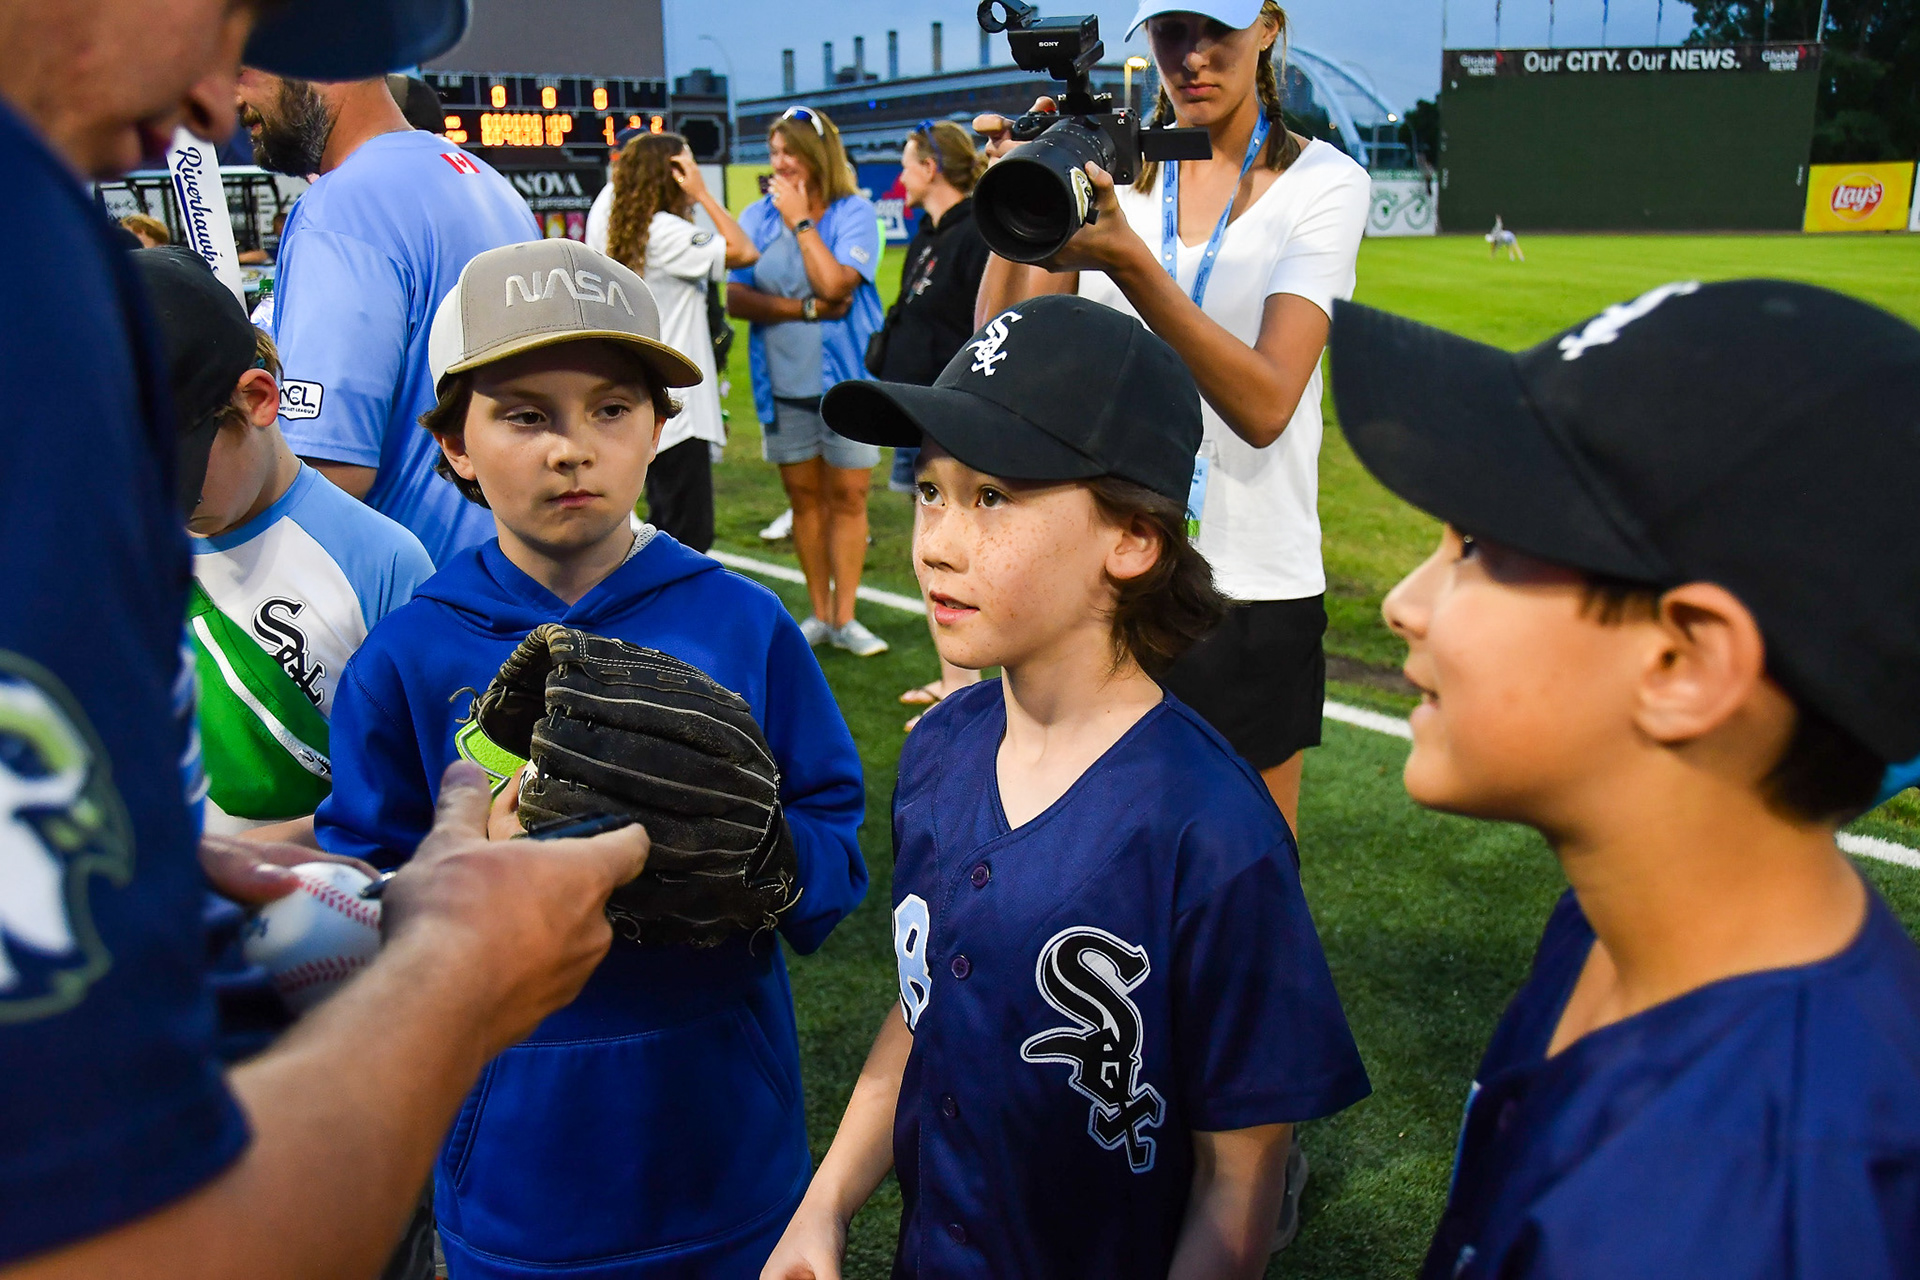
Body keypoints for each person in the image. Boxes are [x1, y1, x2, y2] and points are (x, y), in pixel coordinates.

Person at [0, 2, 652, 1276]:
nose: (213, 102)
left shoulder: (288, 219)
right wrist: (456, 980)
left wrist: (145, 862)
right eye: (229, 16)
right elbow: (133, 1238)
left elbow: (326, 469)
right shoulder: (463, 181)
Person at [763, 296, 1370, 1279]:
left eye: (992, 496)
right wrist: (824, 1204)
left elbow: (1241, 1174)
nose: (938, 541)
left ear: (1132, 538)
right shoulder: (938, 751)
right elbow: (923, 1008)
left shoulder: (1212, 828)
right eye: (931, 490)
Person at [1329, 279, 1920, 1278]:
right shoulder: (1616, 919)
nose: (1402, 603)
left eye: (1475, 547)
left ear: (1683, 663)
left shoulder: (1739, 1221)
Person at [317, 239, 869, 1278]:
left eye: (611, 408)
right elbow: (354, 906)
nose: (572, 449)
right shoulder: (408, 655)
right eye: (525, 415)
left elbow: (836, 846)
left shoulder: (741, 623)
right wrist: (458, 880)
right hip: (514, 1179)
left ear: (660, 426)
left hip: (727, 1161)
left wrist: (767, 854)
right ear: (454, 444)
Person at [975, 0, 1370, 836]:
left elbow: (1266, 403)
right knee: (1092, 853)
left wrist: (1131, 262)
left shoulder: (1325, 183)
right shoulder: (1111, 175)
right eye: (1170, 31)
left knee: (1246, 864)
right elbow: (998, 351)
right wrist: (1030, 182)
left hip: (1249, 578)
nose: (1192, 56)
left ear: (1268, 27)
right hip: (1105, 570)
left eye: (1216, 29)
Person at [134, 246, 434, 835]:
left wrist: (261, 852)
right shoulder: (124, 549)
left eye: (176, 473)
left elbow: (416, 789)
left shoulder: (382, 563)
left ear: (257, 400)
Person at [237, 63, 540, 567]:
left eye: (243, 70)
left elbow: (329, 473)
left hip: (416, 594)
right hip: (514, 579)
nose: (232, 98)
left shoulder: (342, 207)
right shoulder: (486, 182)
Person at [727, 105, 889, 657]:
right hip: (783, 380)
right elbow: (736, 296)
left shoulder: (853, 211)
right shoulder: (755, 215)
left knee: (849, 495)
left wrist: (800, 222)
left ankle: (846, 617)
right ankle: (820, 614)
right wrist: (805, 310)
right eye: (774, 153)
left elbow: (837, 283)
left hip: (847, 383)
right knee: (803, 498)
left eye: (789, 152)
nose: (779, 163)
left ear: (816, 156)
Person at [875, 119, 993, 725]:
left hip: (957, 419)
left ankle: (973, 693)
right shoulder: (928, 233)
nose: (900, 178)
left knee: (962, 554)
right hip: (915, 412)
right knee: (931, 551)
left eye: (907, 164)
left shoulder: (976, 232)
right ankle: (955, 683)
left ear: (931, 167)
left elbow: (985, 330)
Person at [592, 130, 760, 552]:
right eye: (686, 166)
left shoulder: (620, 218)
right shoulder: (664, 231)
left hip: (646, 391)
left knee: (662, 525)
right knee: (688, 536)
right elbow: (744, 250)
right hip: (680, 403)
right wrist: (703, 195)